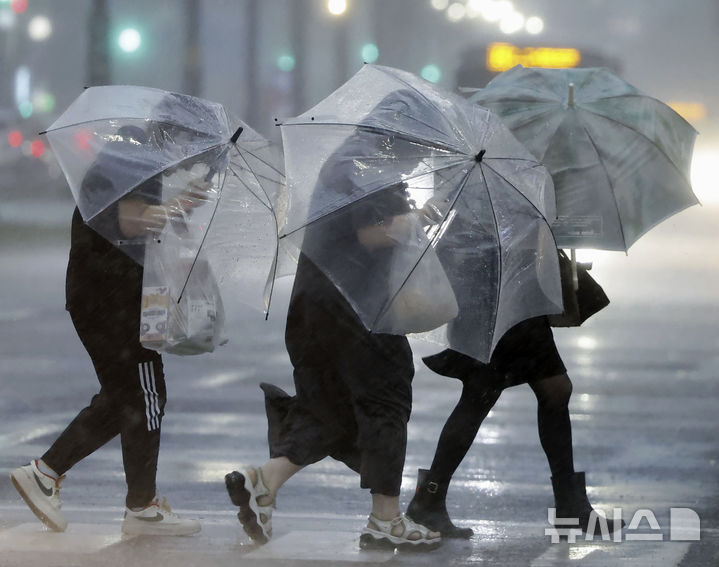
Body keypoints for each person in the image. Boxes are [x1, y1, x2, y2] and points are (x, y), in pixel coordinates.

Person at [224, 94, 442, 550]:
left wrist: (414, 218)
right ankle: (386, 517)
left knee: (332, 407)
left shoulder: (352, 160)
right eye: (422, 142)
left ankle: (263, 481)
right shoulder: (368, 167)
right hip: (355, 307)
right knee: (386, 398)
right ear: (400, 133)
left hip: (315, 305)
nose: (424, 153)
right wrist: (414, 221)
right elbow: (368, 234)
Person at [10, 124, 207, 536]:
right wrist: (180, 203)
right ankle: (141, 507)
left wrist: (176, 206)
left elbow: (126, 223)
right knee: (144, 393)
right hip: (113, 298)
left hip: (100, 295)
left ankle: (47, 474)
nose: (188, 156)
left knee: (125, 397)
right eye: (188, 145)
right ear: (171, 136)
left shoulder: (126, 156)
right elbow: (131, 222)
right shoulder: (133, 161)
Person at [405, 252, 625, 539]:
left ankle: (429, 499)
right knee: (497, 393)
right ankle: (428, 499)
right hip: (496, 298)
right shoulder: (486, 208)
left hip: (516, 296)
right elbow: (471, 242)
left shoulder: (518, 208)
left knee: (528, 391)